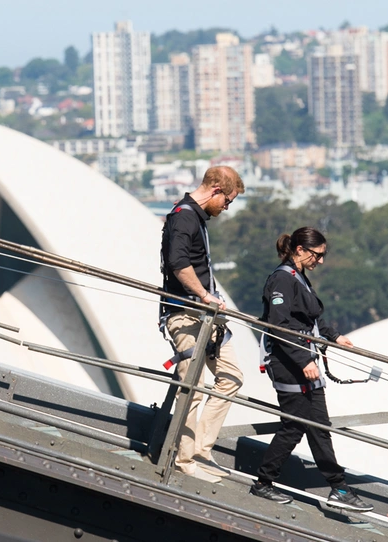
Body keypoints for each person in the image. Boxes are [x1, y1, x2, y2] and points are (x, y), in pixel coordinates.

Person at [249, 227, 373, 511]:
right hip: (289, 363)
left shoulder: (298, 278)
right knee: (295, 425)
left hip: (304, 360)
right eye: (317, 255)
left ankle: (339, 488)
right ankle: (263, 483)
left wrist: (333, 336)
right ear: (300, 250)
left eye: (323, 255)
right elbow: (279, 327)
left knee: (319, 426)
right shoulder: (282, 279)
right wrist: (303, 360)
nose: (321, 261)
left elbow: (306, 319)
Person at [160, 166, 245, 483]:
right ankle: (185, 460)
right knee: (193, 386)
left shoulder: (195, 217)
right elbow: (178, 263)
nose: (227, 208)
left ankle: (199, 450)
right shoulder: (183, 216)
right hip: (185, 314)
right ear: (216, 190)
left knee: (231, 377)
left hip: (205, 315)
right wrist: (203, 295)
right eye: (228, 201)